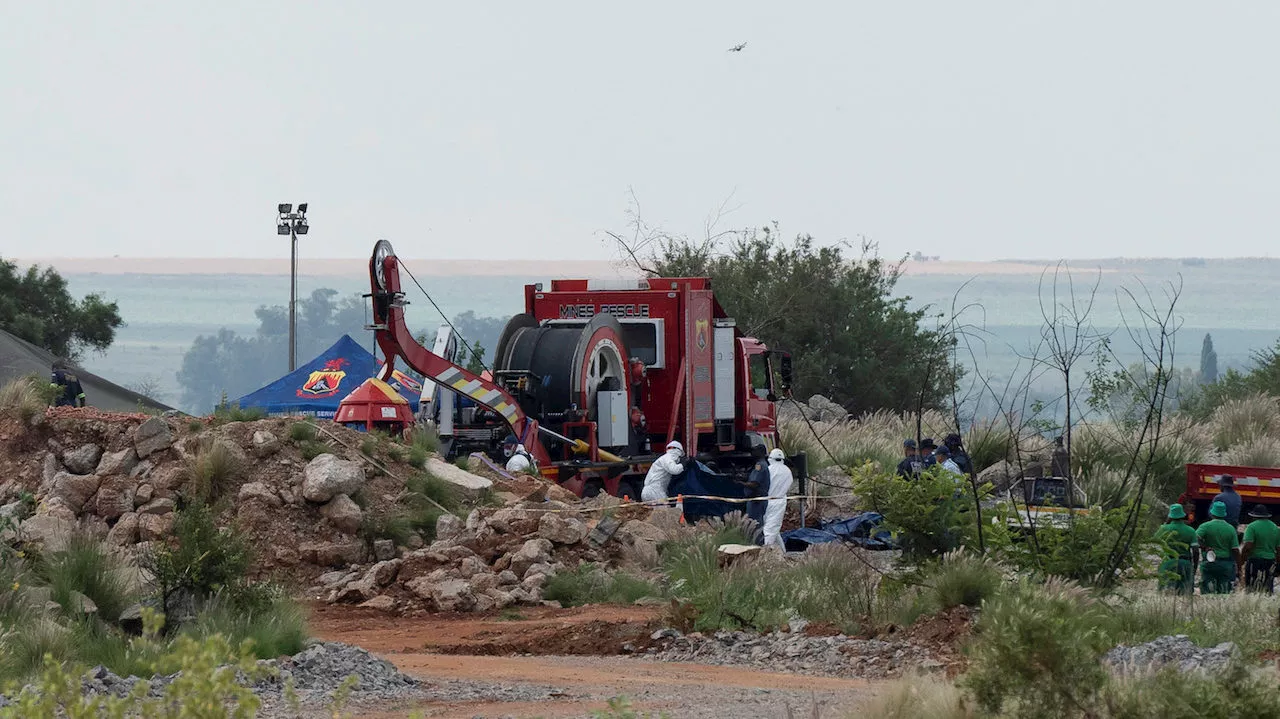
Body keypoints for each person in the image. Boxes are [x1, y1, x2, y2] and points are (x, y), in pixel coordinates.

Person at [1196, 500, 1240, 594]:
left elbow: (1195, 538)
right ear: (1224, 514)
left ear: (1212, 513)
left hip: (1209, 563)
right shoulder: (1230, 529)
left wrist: (1204, 547)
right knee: (1224, 593)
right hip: (1226, 565)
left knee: (1207, 592)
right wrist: (1239, 566)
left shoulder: (1205, 526)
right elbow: (1235, 550)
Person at [1154, 503, 1198, 595]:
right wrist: (1194, 567)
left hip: (1168, 562)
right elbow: (1195, 551)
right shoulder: (1190, 530)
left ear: (1170, 516)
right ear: (1182, 515)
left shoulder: (1164, 529)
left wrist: (1166, 523)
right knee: (1186, 593)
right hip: (1185, 563)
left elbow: (1155, 541)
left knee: (1165, 593)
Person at [1241, 504, 1279, 594]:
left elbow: (1248, 546)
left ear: (1254, 516)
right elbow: (1279, 549)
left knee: (1252, 588)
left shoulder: (1251, 527)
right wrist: (1278, 565)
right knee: (1267, 588)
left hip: (1255, 561)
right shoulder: (1275, 528)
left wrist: (1242, 559)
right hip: (1270, 561)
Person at [762, 449, 794, 550]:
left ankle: (765, 553)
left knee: (769, 530)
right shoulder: (787, 471)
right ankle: (783, 552)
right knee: (773, 528)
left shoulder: (768, 469)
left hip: (766, 500)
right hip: (779, 501)